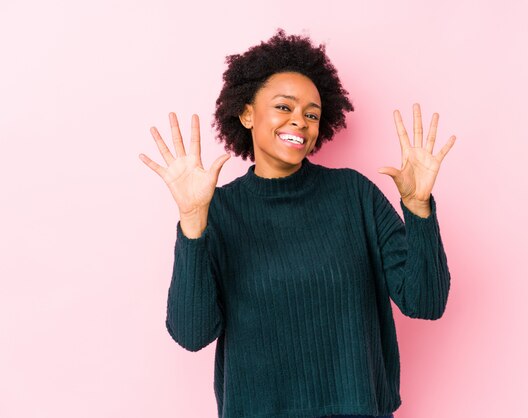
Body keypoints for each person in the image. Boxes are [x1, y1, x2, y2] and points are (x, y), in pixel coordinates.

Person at [139, 29, 456, 418]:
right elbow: (191, 334)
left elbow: (426, 302)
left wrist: (419, 208)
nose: (300, 122)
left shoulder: (354, 195)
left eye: (311, 114)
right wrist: (192, 224)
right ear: (246, 113)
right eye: (284, 107)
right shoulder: (217, 211)